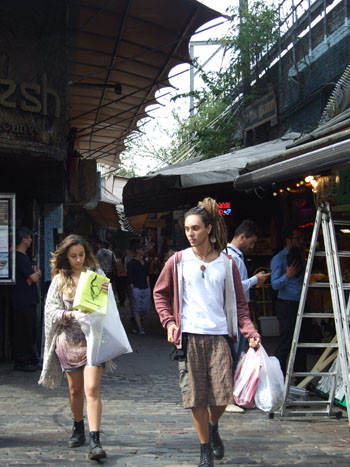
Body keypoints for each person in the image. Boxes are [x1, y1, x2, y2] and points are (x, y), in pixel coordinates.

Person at [153, 198, 261, 467]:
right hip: (189, 337)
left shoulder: (227, 264)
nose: (190, 234)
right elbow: (160, 294)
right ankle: (204, 449)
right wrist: (169, 322)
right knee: (194, 397)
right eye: (187, 229)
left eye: (196, 228)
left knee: (224, 395)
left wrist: (250, 332)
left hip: (220, 337)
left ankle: (213, 426)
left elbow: (240, 305)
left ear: (209, 229)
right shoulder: (177, 261)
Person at [38, 234, 108, 460]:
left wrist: (97, 309)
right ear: (65, 257)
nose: (79, 260)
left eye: (82, 255)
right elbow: (50, 311)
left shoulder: (96, 276)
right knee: (75, 390)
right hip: (68, 342)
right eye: (73, 256)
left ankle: (95, 440)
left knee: (92, 389)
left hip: (94, 340)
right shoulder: (60, 280)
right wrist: (69, 314)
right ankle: (78, 427)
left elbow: (109, 306)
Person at [225, 220, 270, 413]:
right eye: (251, 242)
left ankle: (233, 395)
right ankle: (229, 398)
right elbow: (233, 288)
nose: (252, 247)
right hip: (234, 313)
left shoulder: (233, 256)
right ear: (242, 236)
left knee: (237, 354)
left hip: (237, 312)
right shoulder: (232, 258)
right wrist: (255, 280)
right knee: (234, 356)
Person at [271, 225, 305, 375]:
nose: (300, 241)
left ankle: (301, 376)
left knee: (302, 341)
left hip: (301, 303)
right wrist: (288, 276)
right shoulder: (279, 259)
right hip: (286, 304)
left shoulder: (301, 256)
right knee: (286, 341)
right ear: (288, 240)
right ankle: (280, 375)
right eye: (297, 238)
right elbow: (274, 284)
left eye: (301, 238)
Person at [11, 226, 41, 372]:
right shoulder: (20, 257)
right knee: (24, 331)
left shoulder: (23, 257)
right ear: (23, 239)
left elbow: (31, 278)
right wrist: (35, 274)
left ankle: (28, 359)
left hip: (26, 299)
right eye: (29, 237)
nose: (30, 240)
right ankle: (23, 361)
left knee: (29, 330)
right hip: (23, 300)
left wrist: (33, 276)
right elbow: (34, 277)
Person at [127, 244, 151, 335]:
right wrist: (132, 288)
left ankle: (135, 321)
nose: (143, 251)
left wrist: (149, 286)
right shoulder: (131, 263)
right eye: (142, 249)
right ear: (137, 251)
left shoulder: (145, 262)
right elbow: (130, 277)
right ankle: (140, 327)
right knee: (136, 308)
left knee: (145, 309)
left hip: (145, 287)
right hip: (136, 288)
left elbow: (147, 275)